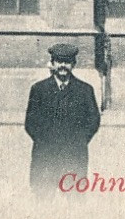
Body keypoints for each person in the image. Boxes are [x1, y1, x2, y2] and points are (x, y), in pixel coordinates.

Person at [23, 43, 101, 193]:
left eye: (67, 62)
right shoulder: (39, 89)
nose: (63, 66)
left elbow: (93, 121)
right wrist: (46, 141)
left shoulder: (85, 90)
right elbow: (30, 123)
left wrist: (79, 141)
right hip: (45, 155)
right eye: (59, 61)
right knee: (43, 201)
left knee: (75, 204)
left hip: (74, 156)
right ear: (52, 64)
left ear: (74, 64)